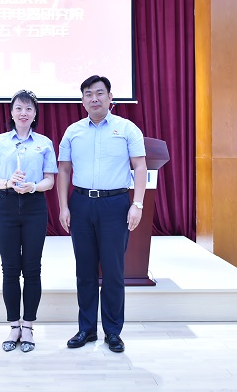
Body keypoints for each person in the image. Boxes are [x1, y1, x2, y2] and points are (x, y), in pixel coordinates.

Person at [57, 75, 147, 353]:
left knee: (113, 271)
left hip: (115, 204)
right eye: (88, 94)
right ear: (82, 100)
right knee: (84, 271)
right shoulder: (73, 131)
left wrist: (138, 204)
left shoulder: (127, 128)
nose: (94, 98)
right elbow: (64, 170)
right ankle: (86, 329)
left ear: (110, 97)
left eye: (99, 93)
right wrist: (63, 206)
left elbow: (140, 166)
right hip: (81, 204)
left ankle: (113, 332)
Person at [0, 89, 57, 353]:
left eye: (28, 109)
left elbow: (50, 180)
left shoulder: (44, 143)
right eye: (18, 108)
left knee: (33, 269)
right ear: (11, 113)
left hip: (34, 206)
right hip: (5, 205)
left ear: (35, 114)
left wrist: (33, 187)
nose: (23, 113)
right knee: (10, 269)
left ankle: (28, 327)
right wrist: (7, 182)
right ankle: (14, 325)